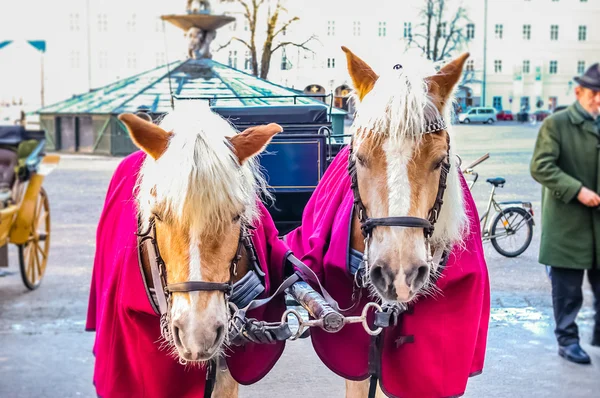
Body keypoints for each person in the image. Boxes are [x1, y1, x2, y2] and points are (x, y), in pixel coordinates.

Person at [530, 63, 600, 365]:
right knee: (568, 292)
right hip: (568, 226)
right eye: (594, 94)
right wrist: (577, 190)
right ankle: (567, 341)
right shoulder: (556, 124)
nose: (598, 100)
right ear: (578, 92)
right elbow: (541, 166)